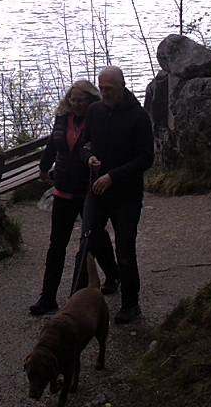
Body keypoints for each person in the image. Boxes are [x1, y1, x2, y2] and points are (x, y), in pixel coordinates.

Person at [29, 79, 119, 316]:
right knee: (56, 245)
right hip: (63, 189)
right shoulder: (62, 119)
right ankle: (47, 298)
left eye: (82, 100)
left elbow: (103, 149)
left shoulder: (99, 119)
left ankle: (111, 275)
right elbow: (53, 144)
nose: (77, 104)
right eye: (73, 100)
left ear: (91, 100)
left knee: (94, 237)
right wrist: (44, 166)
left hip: (88, 189)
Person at [81, 65, 154, 325]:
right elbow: (84, 143)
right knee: (89, 238)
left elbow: (146, 158)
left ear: (122, 86)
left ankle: (130, 304)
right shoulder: (95, 111)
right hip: (97, 191)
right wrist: (88, 157)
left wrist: (113, 176)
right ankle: (106, 280)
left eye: (109, 89)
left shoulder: (138, 117)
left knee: (125, 248)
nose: (104, 93)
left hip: (126, 194)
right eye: (101, 88)